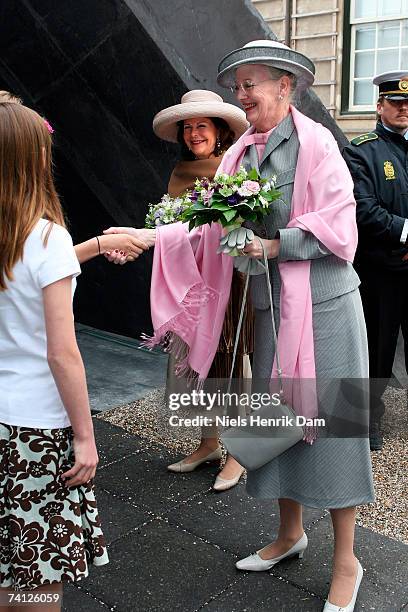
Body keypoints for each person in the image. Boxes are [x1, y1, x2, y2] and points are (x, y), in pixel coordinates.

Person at [134, 41, 374, 611]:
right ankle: (290, 534)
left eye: (251, 84)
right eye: (236, 86)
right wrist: (147, 237)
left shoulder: (317, 145)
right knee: (277, 426)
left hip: (326, 309)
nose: (241, 96)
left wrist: (273, 243)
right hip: (271, 309)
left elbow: (340, 226)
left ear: (287, 86)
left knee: (336, 431)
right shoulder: (239, 152)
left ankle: (348, 562)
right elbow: (210, 226)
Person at [105, 90, 252, 491]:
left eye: (201, 125)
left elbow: (226, 230)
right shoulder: (180, 172)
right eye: (187, 128)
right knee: (192, 357)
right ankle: (208, 443)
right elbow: (174, 227)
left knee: (228, 362)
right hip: (191, 282)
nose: (193, 134)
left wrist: (157, 237)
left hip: (229, 283)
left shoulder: (235, 168)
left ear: (219, 130)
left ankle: (238, 454)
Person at [0, 96, 108, 610]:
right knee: (38, 578)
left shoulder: (28, 240)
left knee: (5, 566)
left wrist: (92, 247)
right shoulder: (47, 237)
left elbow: (25, 273)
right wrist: (85, 437)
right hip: (37, 430)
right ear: (32, 159)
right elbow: (62, 354)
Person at [0, 91, 149, 267]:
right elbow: (37, 269)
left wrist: (103, 245)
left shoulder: (22, 208)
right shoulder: (46, 231)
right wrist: (99, 245)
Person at [343, 71, 408, 451]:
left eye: (407, 104)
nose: (403, 110)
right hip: (381, 269)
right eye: (396, 103)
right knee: (377, 349)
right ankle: (368, 416)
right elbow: (363, 211)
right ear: (380, 106)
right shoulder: (361, 150)